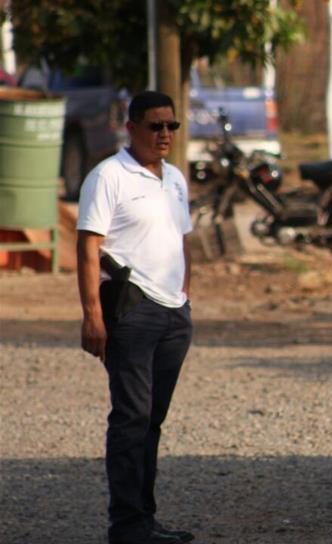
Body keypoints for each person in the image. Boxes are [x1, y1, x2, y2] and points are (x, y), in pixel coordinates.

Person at [77, 91, 195, 544]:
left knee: (152, 421)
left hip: (172, 313)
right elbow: (88, 247)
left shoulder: (175, 179)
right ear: (132, 128)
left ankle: (146, 519)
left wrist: (185, 298)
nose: (164, 134)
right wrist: (92, 316)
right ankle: (126, 525)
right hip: (131, 308)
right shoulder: (108, 176)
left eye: (171, 126)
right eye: (155, 126)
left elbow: (182, 240)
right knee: (131, 416)